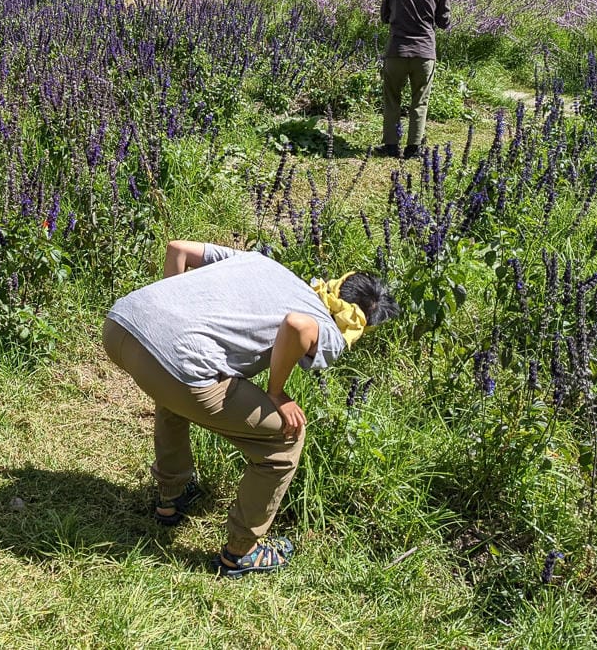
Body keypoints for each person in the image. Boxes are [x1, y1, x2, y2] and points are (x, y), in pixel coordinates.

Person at [102, 240, 399, 577]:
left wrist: (171, 315)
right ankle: (241, 552)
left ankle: (171, 498)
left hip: (121, 325)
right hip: (175, 365)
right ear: (364, 324)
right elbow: (298, 326)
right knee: (286, 440)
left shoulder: (265, 265)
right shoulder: (331, 329)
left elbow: (177, 249)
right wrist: (277, 394)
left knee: (178, 386)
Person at [379, 0, 451, 159]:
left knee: (392, 98)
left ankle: (391, 145)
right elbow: (443, 22)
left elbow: (384, 17)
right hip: (424, 53)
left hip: (396, 51)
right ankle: (414, 147)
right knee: (420, 101)